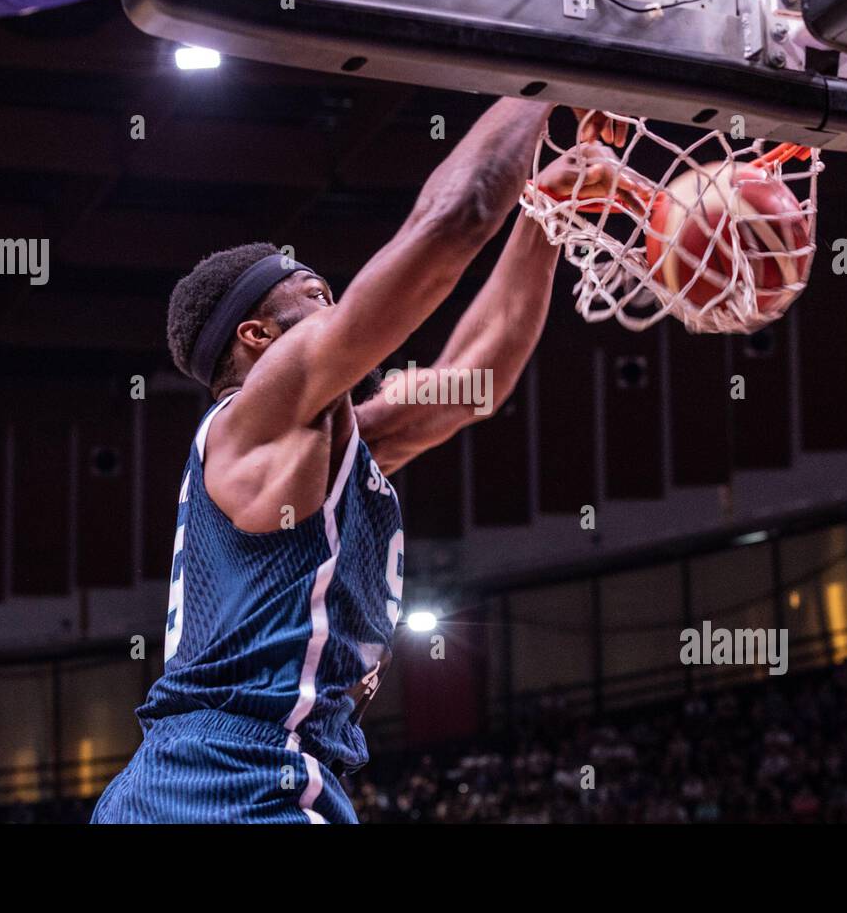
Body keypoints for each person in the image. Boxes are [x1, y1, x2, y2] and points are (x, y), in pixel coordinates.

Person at [92, 101, 638, 822]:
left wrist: (549, 207)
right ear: (259, 337)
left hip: (222, 781)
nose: (343, 305)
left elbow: (478, 376)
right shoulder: (262, 414)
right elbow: (457, 219)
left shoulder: (331, 441)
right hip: (229, 781)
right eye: (317, 295)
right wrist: (545, 82)